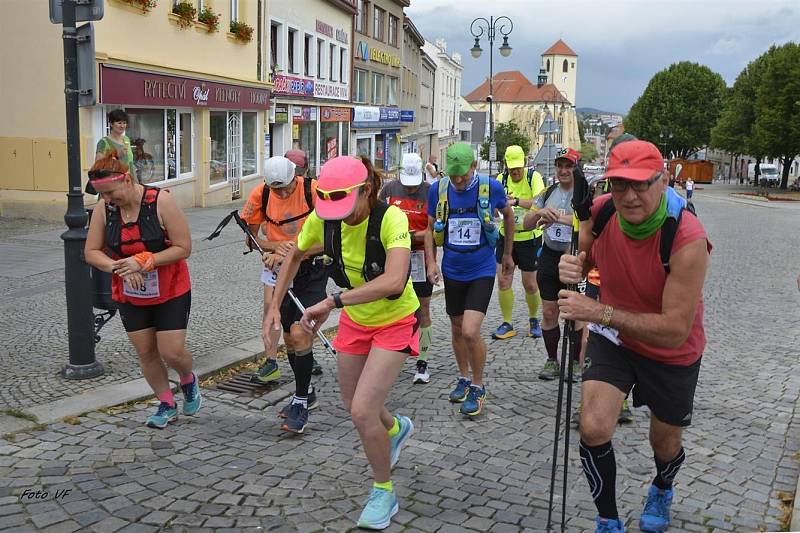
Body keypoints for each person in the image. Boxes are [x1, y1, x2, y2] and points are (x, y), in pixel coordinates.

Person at [558, 140, 711, 533]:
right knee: (592, 426)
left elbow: (675, 329)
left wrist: (598, 311)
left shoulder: (687, 238)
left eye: (640, 185)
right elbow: (587, 256)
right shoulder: (603, 211)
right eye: (620, 184)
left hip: (671, 350)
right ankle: (608, 519)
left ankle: (662, 486)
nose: (629, 196)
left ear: (662, 181)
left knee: (665, 443)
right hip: (614, 339)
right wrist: (574, 265)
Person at [265, 155, 419, 530]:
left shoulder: (391, 218)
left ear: (366, 191)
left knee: (363, 410)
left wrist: (332, 302)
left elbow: (395, 280)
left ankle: (384, 492)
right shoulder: (325, 218)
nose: (340, 215)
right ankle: (396, 429)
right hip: (357, 318)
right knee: (354, 404)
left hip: (395, 318)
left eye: (346, 204)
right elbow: (296, 254)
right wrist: (273, 308)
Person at [84, 151, 200, 429]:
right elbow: (91, 252)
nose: (109, 200)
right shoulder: (104, 208)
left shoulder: (162, 201)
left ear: (126, 180)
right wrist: (117, 267)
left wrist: (145, 261)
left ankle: (187, 378)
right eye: (104, 196)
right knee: (146, 352)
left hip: (170, 288)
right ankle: (166, 404)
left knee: (171, 352)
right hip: (131, 293)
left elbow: (184, 247)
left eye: (112, 193)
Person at [239, 153, 328, 434]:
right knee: (289, 337)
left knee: (300, 331)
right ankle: (307, 391)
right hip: (279, 268)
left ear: (295, 175)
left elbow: (330, 237)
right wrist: (274, 250)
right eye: (277, 189)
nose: (283, 192)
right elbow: (253, 240)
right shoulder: (261, 195)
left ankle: (300, 401)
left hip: (312, 267)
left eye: (287, 186)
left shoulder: (312, 190)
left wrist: (292, 250)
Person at [426, 142, 515, 417]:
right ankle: (463, 378)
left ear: (473, 167)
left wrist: (508, 254)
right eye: (453, 175)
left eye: (463, 175)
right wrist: (431, 261)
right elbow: (429, 229)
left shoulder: (490, 187)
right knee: (455, 329)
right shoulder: (438, 190)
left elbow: (509, 215)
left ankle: (478, 386)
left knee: (469, 331)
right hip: (452, 267)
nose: (458, 180)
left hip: (482, 267)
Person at [522, 147, 585, 382]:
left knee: (575, 312)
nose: (563, 170)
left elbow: (588, 221)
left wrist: (558, 218)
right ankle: (552, 360)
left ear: (576, 168)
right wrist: (540, 214)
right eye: (560, 165)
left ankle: (577, 362)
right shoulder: (548, 192)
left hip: (575, 257)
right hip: (549, 255)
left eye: (568, 166)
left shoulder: (583, 194)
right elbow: (527, 224)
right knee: (549, 311)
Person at [379, 152, 435, 384]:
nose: (410, 190)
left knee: (422, 310)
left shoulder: (430, 191)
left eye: (413, 186)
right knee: (388, 308)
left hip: (419, 255)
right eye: (406, 185)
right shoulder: (390, 189)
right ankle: (386, 356)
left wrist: (413, 238)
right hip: (393, 256)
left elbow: (432, 231)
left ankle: (423, 362)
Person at [491, 144, 546, 340]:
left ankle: (533, 320)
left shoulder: (534, 177)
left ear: (524, 164)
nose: (515, 171)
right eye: (511, 167)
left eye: (518, 167)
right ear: (506, 165)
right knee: (504, 280)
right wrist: (498, 207)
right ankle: (507, 323)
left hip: (529, 238)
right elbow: (494, 208)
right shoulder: (500, 180)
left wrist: (515, 202)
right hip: (506, 238)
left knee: (530, 284)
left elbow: (540, 201)